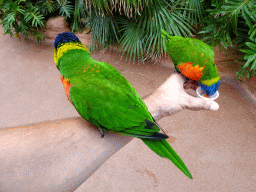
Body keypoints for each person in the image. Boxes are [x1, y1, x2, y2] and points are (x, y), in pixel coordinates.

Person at [0, 73, 219, 191]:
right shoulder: (91, 79)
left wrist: (156, 105)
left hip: (133, 116)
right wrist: (155, 105)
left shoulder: (78, 90)